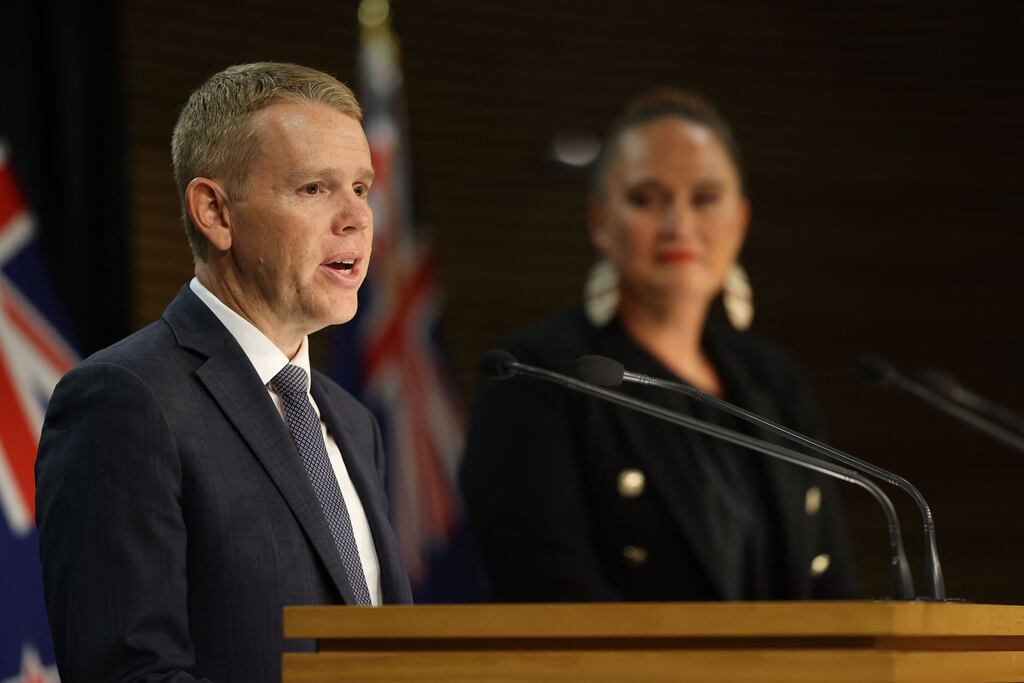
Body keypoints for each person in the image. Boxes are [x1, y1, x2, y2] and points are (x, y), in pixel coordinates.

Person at [35, 62, 413, 682]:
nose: (356, 219)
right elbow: (129, 673)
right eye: (314, 189)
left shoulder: (352, 420)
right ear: (215, 212)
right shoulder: (126, 400)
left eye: (361, 188)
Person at [460, 88, 856, 602]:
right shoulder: (535, 372)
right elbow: (548, 593)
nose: (679, 225)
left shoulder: (773, 378)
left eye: (705, 198)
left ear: (739, 222)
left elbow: (833, 589)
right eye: (647, 198)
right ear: (599, 221)